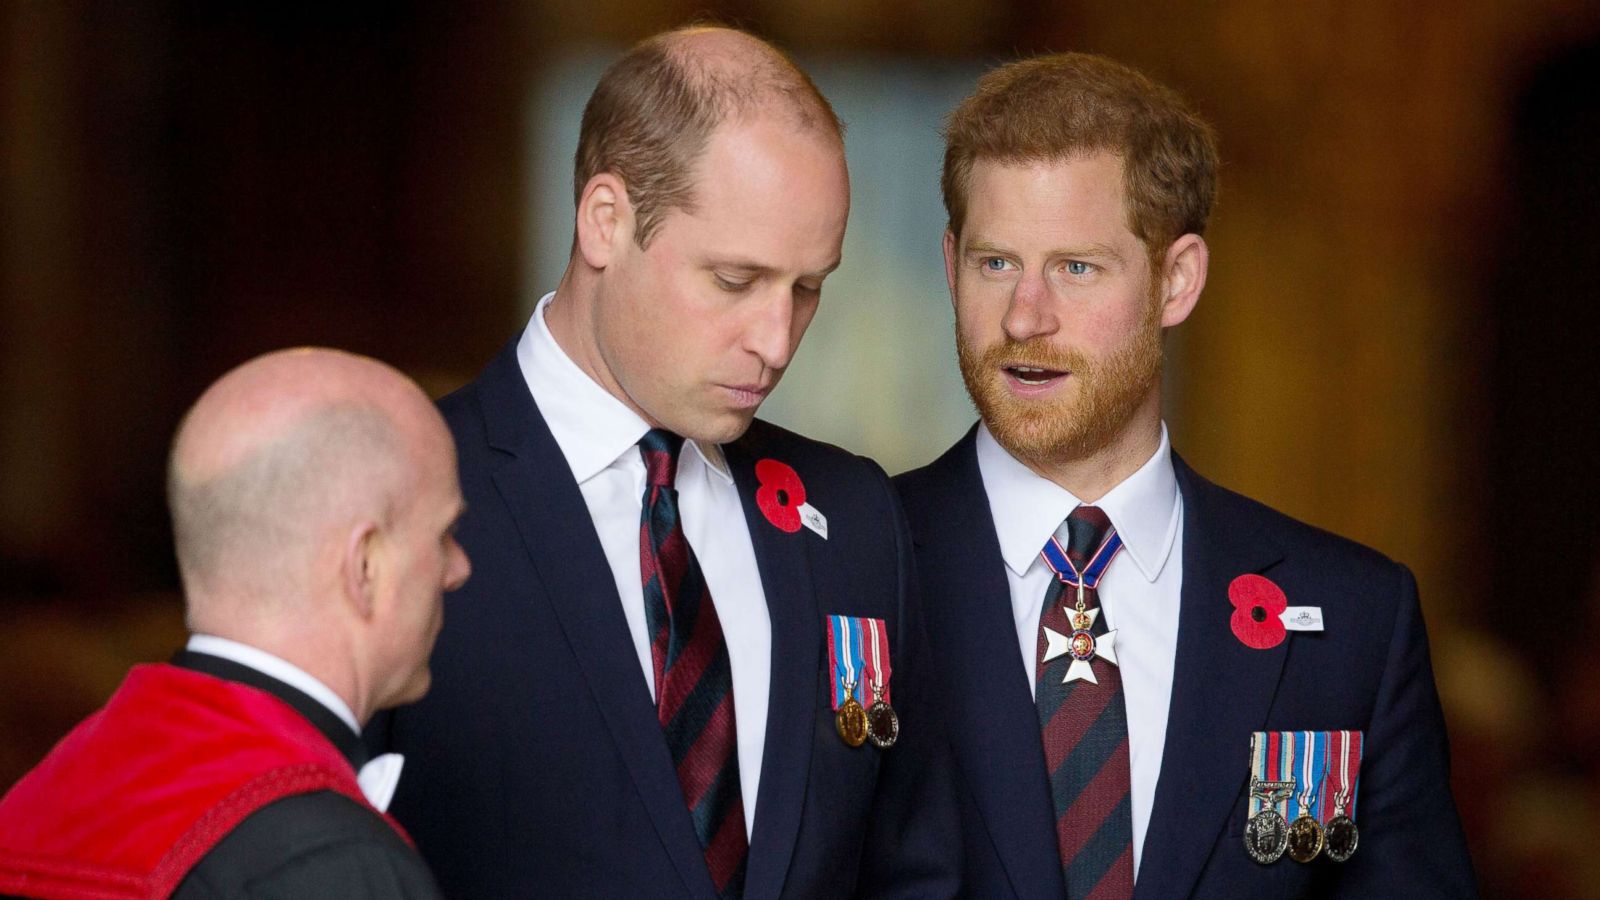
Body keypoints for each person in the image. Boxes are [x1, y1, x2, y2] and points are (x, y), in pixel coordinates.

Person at [366, 24, 958, 900]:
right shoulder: (398, 492)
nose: (775, 340)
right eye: (734, 280)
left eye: (807, 288)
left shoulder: (854, 521)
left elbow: (914, 875)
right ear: (606, 221)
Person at [894, 53, 1477, 898]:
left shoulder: (1355, 622)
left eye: (1075, 268)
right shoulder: (852, 569)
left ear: (1178, 280)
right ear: (950, 264)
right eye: (995, 263)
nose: (1024, 316)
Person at [0, 348, 468, 899]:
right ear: (364, 566)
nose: (458, 568)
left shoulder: (37, 800)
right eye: (442, 535)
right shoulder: (331, 865)